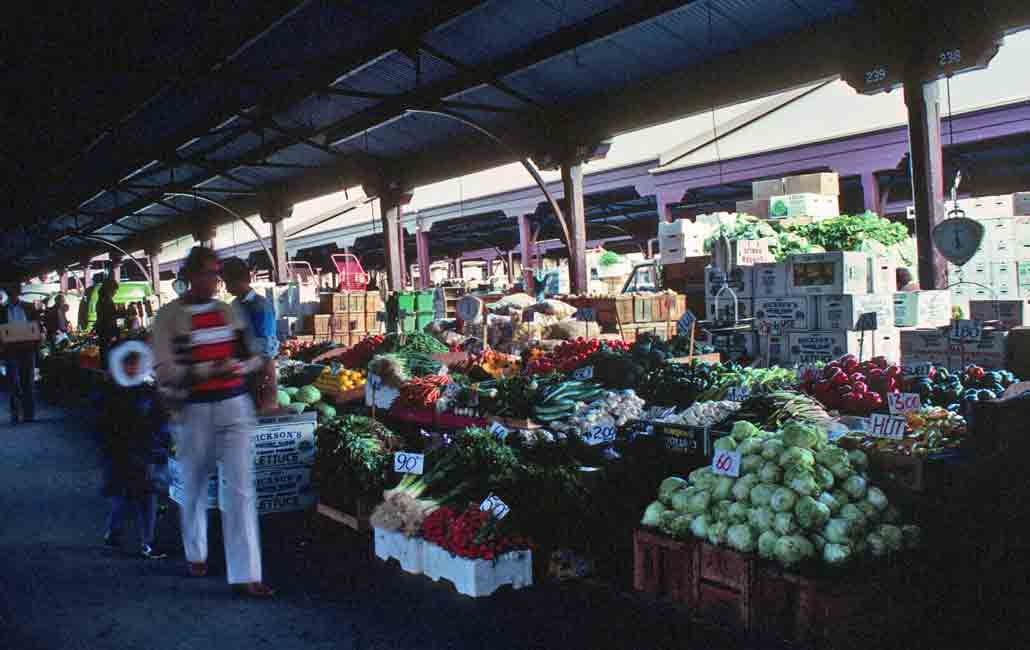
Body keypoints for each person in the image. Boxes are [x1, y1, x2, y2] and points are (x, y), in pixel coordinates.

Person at [151, 246, 274, 598]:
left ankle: (246, 574)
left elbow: (249, 355)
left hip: (235, 406)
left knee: (240, 489)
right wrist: (208, 370)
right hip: (192, 409)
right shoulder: (167, 317)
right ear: (188, 275)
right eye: (206, 273)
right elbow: (164, 371)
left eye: (215, 273)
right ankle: (196, 552)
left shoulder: (227, 311)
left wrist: (245, 367)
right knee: (194, 485)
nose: (212, 280)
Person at [100, 346, 170, 560]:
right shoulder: (116, 392)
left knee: (137, 496)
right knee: (137, 496)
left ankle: (119, 534)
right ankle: (143, 542)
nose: (133, 369)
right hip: (127, 451)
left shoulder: (144, 390)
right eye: (129, 364)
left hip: (141, 450)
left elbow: (160, 419)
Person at [220, 258, 279, 414]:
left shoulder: (260, 305)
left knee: (263, 409)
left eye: (228, 282)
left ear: (241, 280)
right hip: (244, 366)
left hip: (262, 366)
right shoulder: (235, 305)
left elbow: (266, 344)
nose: (226, 288)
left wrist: (251, 364)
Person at [1, 284, 41, 424]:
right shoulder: (2, 310)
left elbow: (37, 327)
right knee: (14, 382)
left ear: (18, 293)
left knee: (28, 382)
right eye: (10, 292)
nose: (12, 295)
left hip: (27, 349)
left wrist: (36, 345)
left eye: (14, 292)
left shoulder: (29, 308)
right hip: (10, 351)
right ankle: (16, 413)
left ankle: (29, 414)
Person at [95, 277, 120, 365]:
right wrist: (120, 313)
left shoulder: (101, 300)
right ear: (109, 289)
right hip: (107, 332)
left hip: (104, 332)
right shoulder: (106, 301)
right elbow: (109, 316)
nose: (115, 293)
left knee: (104, 354)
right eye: (114, 290)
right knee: (108, 355)